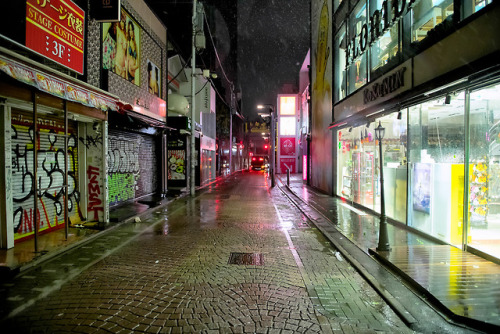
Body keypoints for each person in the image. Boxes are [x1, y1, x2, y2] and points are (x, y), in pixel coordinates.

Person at [114, 10, 128, 79]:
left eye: (124, 22)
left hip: (123, 66)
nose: (123, 24)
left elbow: (126, 54)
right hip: (117, 63)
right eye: (122, 21)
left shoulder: (125, 35)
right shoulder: (117, 29)